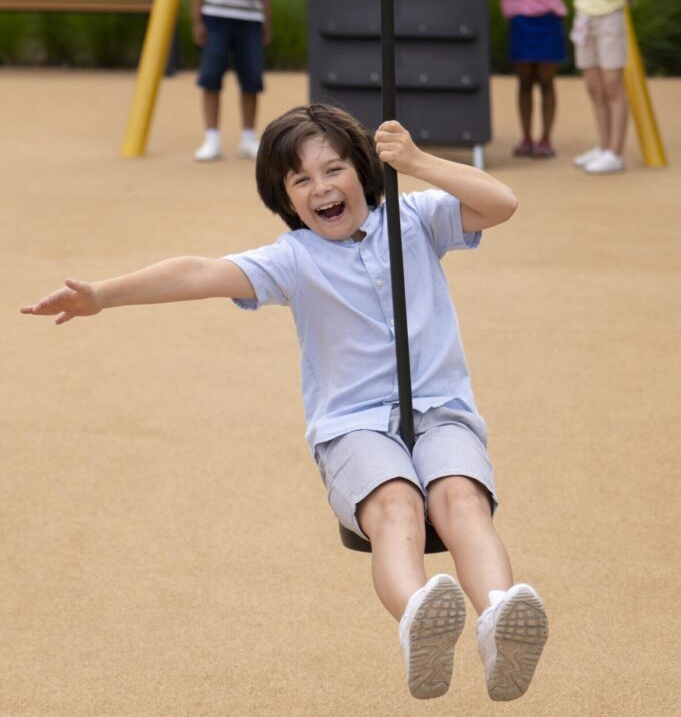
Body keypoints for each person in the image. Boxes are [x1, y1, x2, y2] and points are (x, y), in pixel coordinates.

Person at [21, 104, 548, 702]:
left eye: (334, 170)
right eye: (301, 180)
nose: (321, 187)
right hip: (354, 428)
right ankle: (419, 617)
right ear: (286, 199)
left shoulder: (415, 219)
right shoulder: (293, 259)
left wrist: (417, 161)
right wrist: (102, 295)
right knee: (396, 506)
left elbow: (501, 203)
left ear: (366, 171)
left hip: (440, 410)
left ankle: (499, 620)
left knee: (461, 498)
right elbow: (197, 273)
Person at [191, 0, 271, 162]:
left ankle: (248, 138)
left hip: (250, 17)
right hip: (214, 15)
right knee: (210, 75)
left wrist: (267, 19)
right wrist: (197, 20)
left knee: (252, 77)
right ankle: (211, 138)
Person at [566, 0, 638, 174]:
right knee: (594, 88)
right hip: (584, 18)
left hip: (610, 19)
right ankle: (603, 147)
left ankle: (615, 153)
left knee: (612, 86)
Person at [499, 0, 568, 159]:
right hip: (520, 17)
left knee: (546, 83)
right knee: (525, 82)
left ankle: (545, 138)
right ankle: (526, 138)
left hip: (548, 17)